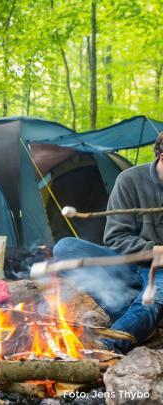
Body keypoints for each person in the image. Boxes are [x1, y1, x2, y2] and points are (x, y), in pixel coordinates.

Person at [52, 134, 163, 353]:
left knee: (151, 300)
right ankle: (139, 323)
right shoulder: (130, 180)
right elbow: (115, 237)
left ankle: (106, 349)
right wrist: (155, 250)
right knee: (65, 248)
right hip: (129, 264)